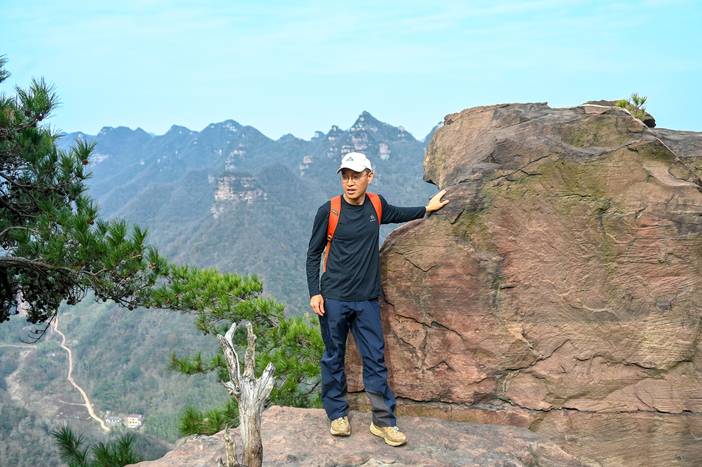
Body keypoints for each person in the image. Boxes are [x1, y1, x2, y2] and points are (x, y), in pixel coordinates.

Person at [306, 151, 449, 447]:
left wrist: (427, 209)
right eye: (345, 177)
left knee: (375, 359)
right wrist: (314, 293)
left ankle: (383, 422)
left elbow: (398, 213)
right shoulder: (329, 211)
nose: (350, 183)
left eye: (356, 176)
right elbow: (313, 254)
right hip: (334, 299)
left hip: (367, 300)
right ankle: (337, 415)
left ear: (369, 177)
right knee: (333, 357)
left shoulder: (376, 205)